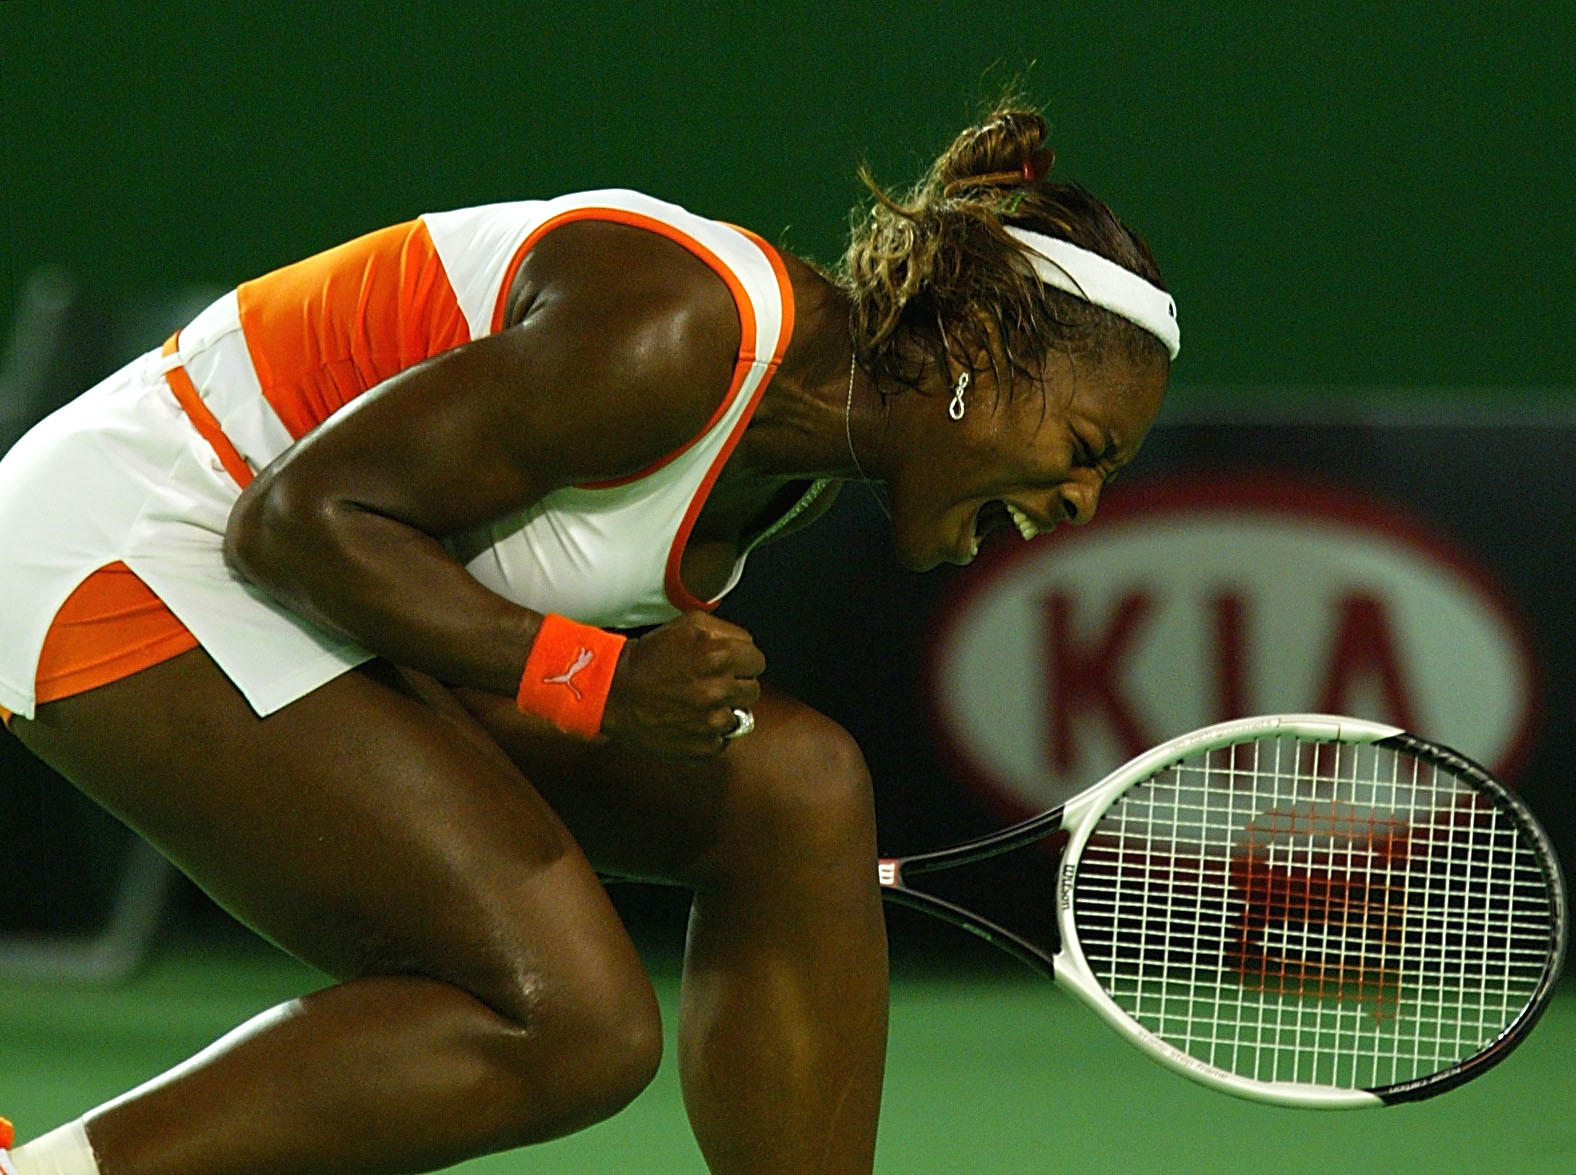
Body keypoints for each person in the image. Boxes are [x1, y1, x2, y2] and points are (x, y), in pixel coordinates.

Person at [0, 104, 1176, 1175]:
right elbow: (299, 522)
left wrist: (600, 679)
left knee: (795, 788)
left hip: (308, 586)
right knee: (566, 1021)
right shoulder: (676, 332)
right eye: (1085, 446)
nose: (1079, 502)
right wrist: (597, 676)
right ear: (977, 356)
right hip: (135, 539)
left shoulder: (789, 466)